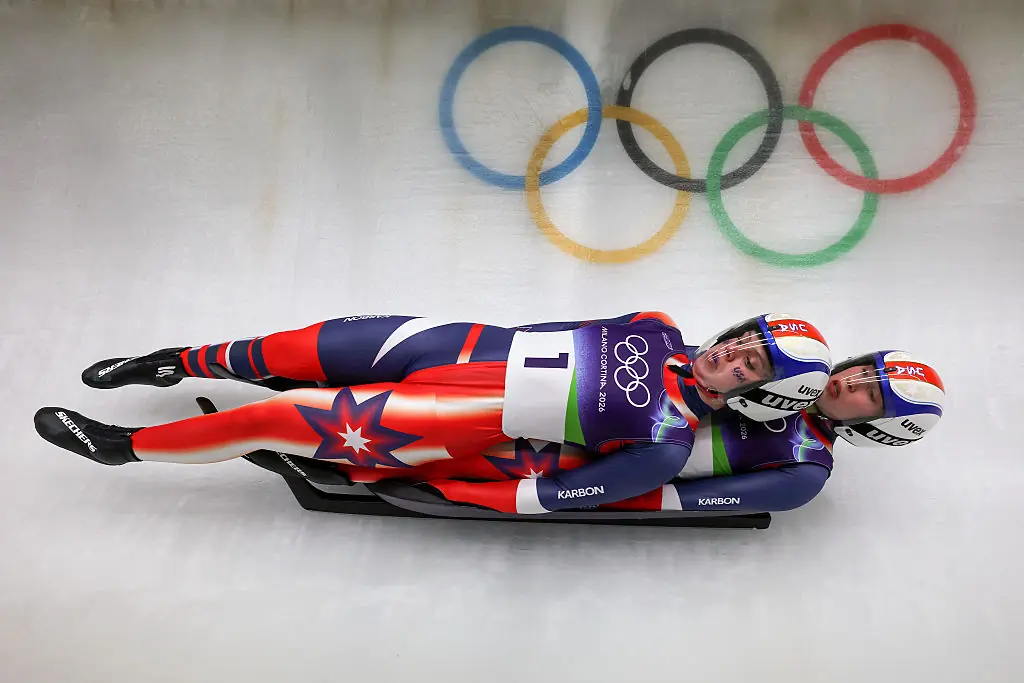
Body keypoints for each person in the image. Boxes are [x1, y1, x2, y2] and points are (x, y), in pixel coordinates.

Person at [33, 311, 832, 513]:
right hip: (465, 339)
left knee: (282, 416)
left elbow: (547, 497)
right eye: (742, 339)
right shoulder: (659, 325)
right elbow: (556, 329)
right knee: (296, 344)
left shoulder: (664, 442)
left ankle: (123, 445)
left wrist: (450, 489)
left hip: (462, 413)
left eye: (751, 362)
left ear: (756, 392)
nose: (731, 353)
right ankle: (171, 361)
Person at [394, 349, 945, 514]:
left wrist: (528, 498)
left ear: (880, 428)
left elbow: (665, 499)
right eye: (862, 371)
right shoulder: (781, 372)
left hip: (582, 466)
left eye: (869, 394)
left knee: (416, 444)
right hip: (583, 412)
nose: (850, 383)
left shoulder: (804, 471)